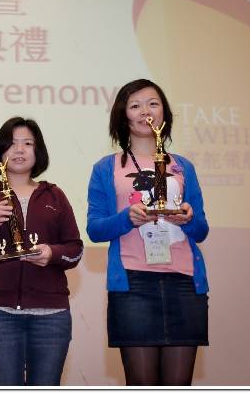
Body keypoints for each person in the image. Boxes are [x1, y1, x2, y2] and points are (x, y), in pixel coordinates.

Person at [86, 78, 209, 386]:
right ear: (123, 115)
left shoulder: (183, 166)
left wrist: (188, 218)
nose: (145, 111)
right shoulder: (106, 167)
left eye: (153, 103)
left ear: (164, 112)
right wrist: (127, 218)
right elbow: (95, 229)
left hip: (185, 282)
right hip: (133, 284)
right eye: (135, 105)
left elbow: (202, 230)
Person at [0, 117, 83, 386]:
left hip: (51, 316)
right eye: (12, 143)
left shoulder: (55, 196)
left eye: (27, 143)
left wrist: (51, 253)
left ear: (38, 151)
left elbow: (75, 250)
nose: (19, 149)